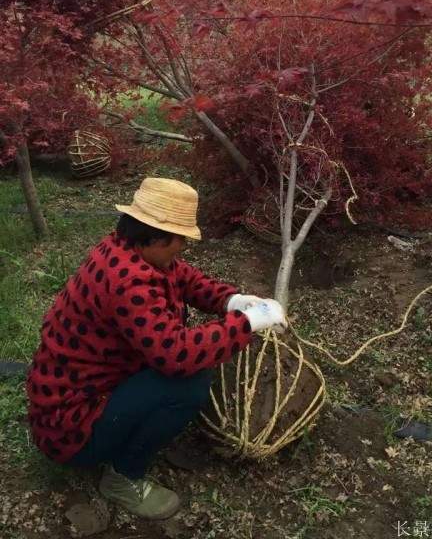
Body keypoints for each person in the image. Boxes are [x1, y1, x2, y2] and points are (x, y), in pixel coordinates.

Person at [26, 177, 287, 520]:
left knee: (185, 368)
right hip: (70, 426)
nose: (182, 248)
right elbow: (177, 356)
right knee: (189, 382)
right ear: (155, 237)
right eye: (179, 239)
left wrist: (232, 299)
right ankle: (124, 477)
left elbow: (185, 277)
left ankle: (129, 425)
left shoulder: (126, 248)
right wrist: (247, 323)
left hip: (87, 387)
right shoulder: (127, 281)